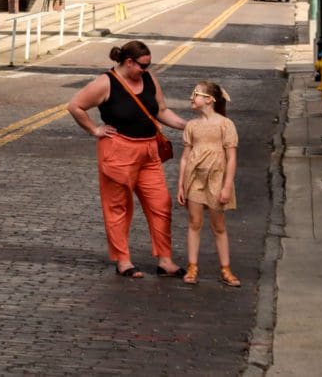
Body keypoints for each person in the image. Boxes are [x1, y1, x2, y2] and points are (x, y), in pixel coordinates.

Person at [66, 40, 187, 279]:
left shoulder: (150, 79)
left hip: (149, 151)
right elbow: (75, 106)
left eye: (149, 64)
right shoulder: (106, 82)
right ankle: (123, 261)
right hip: (118, 151)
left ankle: (165, 261)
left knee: (161, 204)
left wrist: (186, 126)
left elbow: (160, 110)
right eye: (143, 65)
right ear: (129, 62)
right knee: (118, 207)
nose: (147, 68)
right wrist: (94, 130)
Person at [176, 80, 240, 287]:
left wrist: (227, 185)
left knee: (218, 226)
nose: (191, 98)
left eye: (195, 94)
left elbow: (231, 157)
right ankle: (192, 267)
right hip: (194, 179)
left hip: (216, 179)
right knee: (194, 223)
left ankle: (226, 269)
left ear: (209, 100)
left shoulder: (225, 124)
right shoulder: (192, 126)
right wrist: (180, 184)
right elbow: (185, 157)